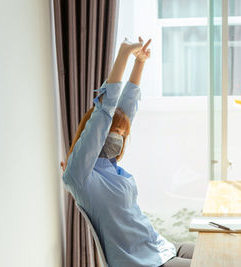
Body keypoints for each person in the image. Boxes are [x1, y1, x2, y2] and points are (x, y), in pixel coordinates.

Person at [62, 37, 194, 267]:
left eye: (123, 135)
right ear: (98, 134)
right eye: (113, 133)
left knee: (218, 250)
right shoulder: (81, 176)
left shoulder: (111, 168)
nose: (119, 138)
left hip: (160, 248)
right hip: (144, 263)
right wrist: (123, 54)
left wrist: (140, 62)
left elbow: (127, 108)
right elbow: (104, 114)